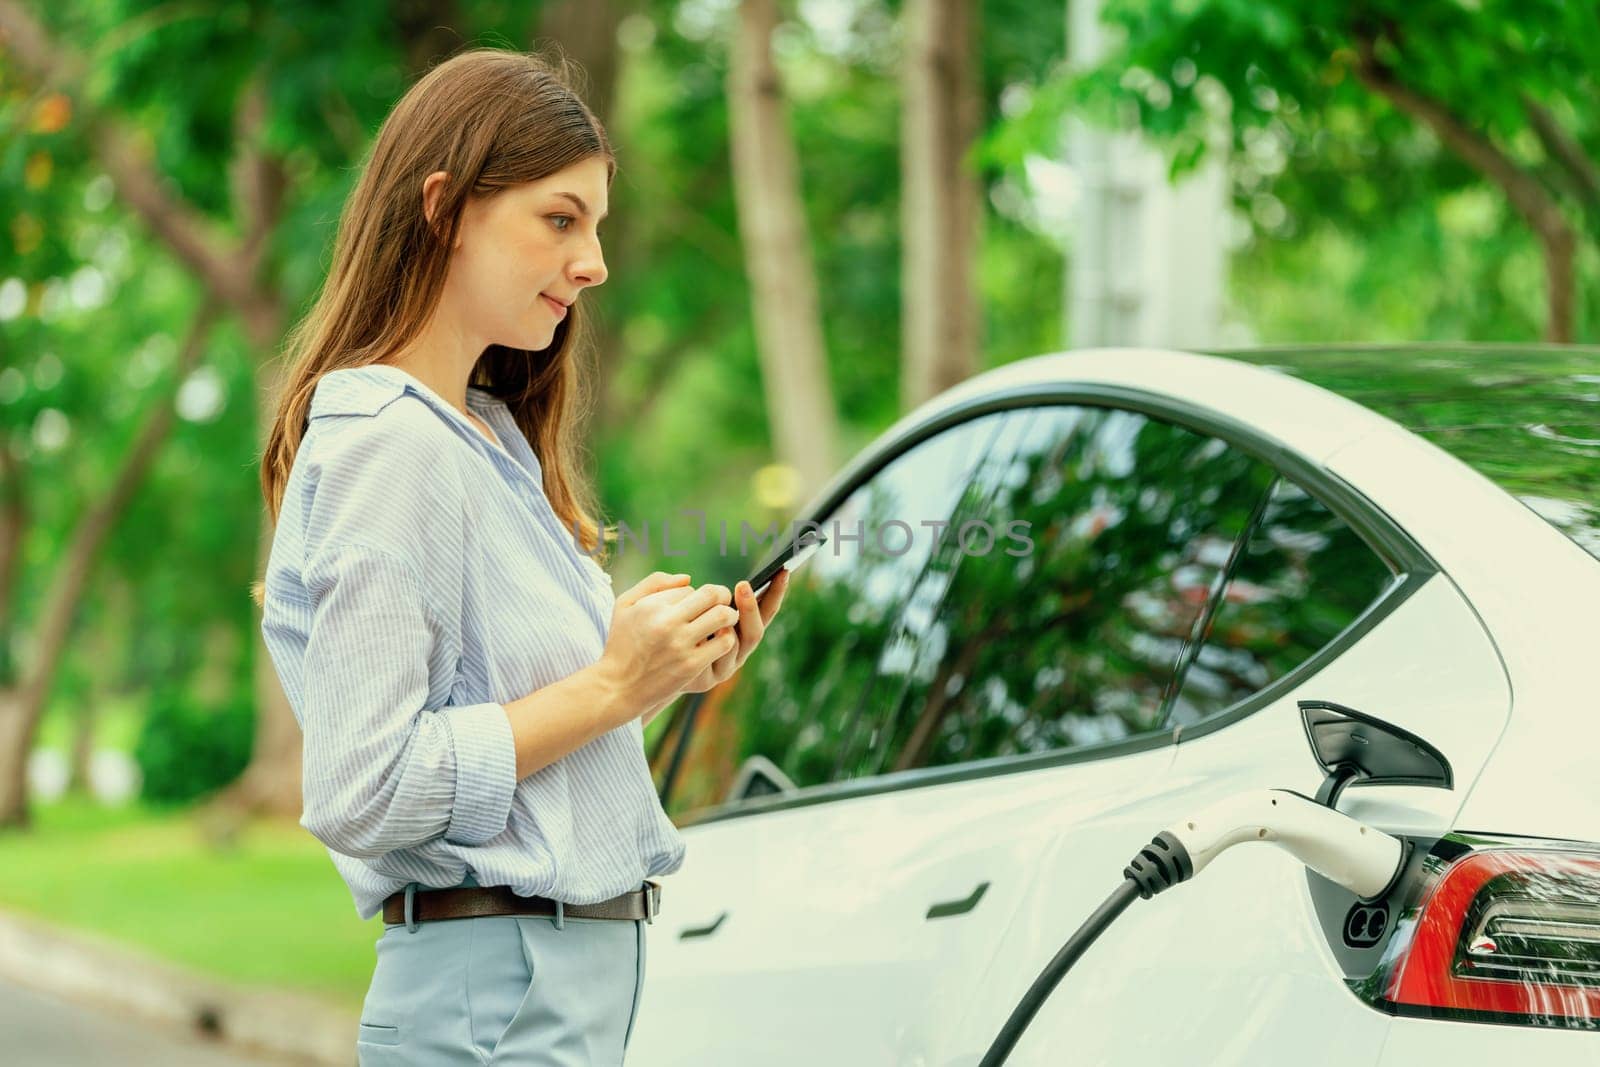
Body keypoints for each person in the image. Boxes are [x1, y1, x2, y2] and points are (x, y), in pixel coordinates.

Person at [254, 47, 790, 1065]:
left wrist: (660, 673)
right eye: (560, 218)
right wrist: (609, 685)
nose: (593, 262)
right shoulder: (390, 438)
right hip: (491, 997)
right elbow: (361, 786)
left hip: (544, 993)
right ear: (446, 208)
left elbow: (524, 738)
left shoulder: (483, 438)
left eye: (595, 226)